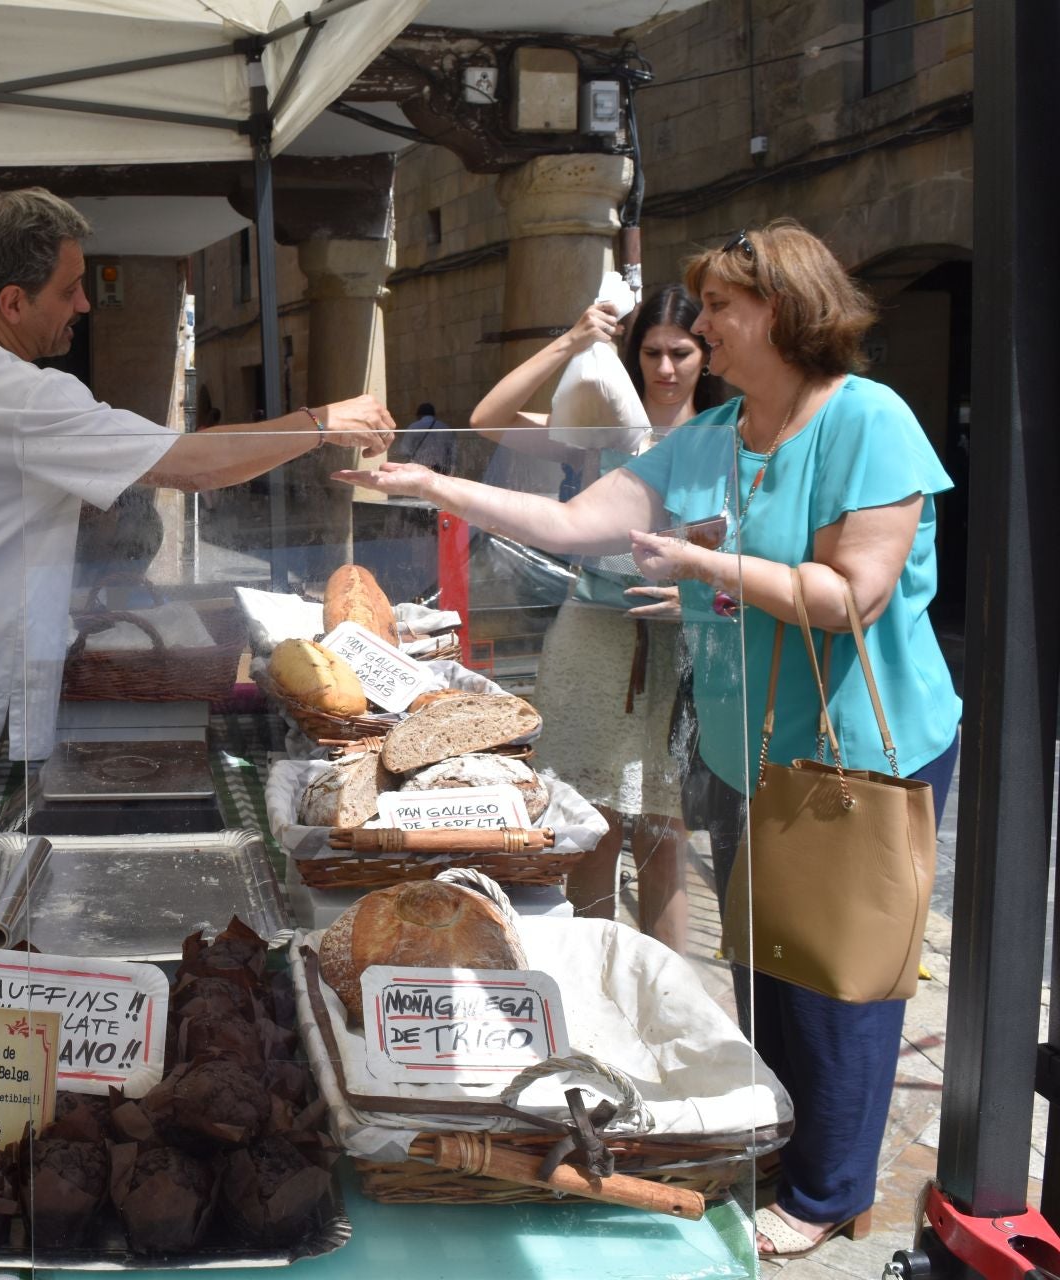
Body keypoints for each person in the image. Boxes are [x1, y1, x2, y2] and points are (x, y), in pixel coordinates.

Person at [334, 219, 960, 1260]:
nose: (700, 325)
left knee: (838, 981)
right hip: (743, 747)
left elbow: (855, 593)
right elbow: (575, 521)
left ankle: (832, 1186)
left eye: (719, 306)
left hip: (854, 751)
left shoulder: (869, 421)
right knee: (766, 962)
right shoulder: (712, 437)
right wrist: (437, 484)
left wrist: (702, 568)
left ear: (783, 309)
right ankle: (783, 1137)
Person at [0, 188, 394, 840]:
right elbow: (191, 465)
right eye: (69, 290)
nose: (86, 304)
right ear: (13, 302)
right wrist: (321, 423)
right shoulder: (16, 394)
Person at [463, 285, 723, 952]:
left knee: (666, 841)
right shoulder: (605, 429)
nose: (666, 369)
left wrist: (701, 596)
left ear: (706, 354)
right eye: (653, 353)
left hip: (684, 650)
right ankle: (596, 996)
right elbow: (487, 418)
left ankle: (666, 1011)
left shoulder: (729, 436)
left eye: (681, 353)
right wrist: (573, 342)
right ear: (634, 356)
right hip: (593, 640)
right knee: (591, 831)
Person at [388, 401, 457, 470]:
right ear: (434, 414)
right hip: (441, 469)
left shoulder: (413, 427)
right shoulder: (445, 427)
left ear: (419, 415)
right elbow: (452, 452)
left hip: (420, 469)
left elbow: (404, 450)